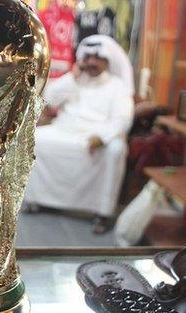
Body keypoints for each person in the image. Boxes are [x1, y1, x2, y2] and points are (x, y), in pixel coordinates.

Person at [25, 35, 134, 234]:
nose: (92, 62)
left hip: (98, 136)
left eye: (97, 58)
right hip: (65, 130)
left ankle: (103, 213)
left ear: (107, 61)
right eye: (88, 57)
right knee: (36, 140)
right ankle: (40, 200)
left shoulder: (117, 86)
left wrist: (103, 138)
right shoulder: (75, 80)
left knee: (115, 150)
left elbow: (122, 119)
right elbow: (49, 100)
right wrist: (71, 78)